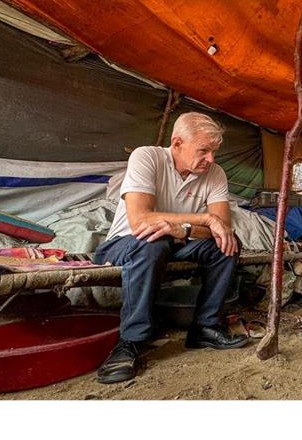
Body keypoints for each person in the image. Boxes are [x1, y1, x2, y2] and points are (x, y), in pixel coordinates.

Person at [94, 112, 248, 384]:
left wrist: (187, 229)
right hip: (127, 242)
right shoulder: (147, 157)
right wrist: (204, 219)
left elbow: (223, 226)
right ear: (177, 144)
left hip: (179, 241)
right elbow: (141, 219)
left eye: (214, 152)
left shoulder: (215, 173)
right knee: (154, 243)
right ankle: (129, 341)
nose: (210, 159)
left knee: (227, 245)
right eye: (204, 150)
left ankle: (204, 327)